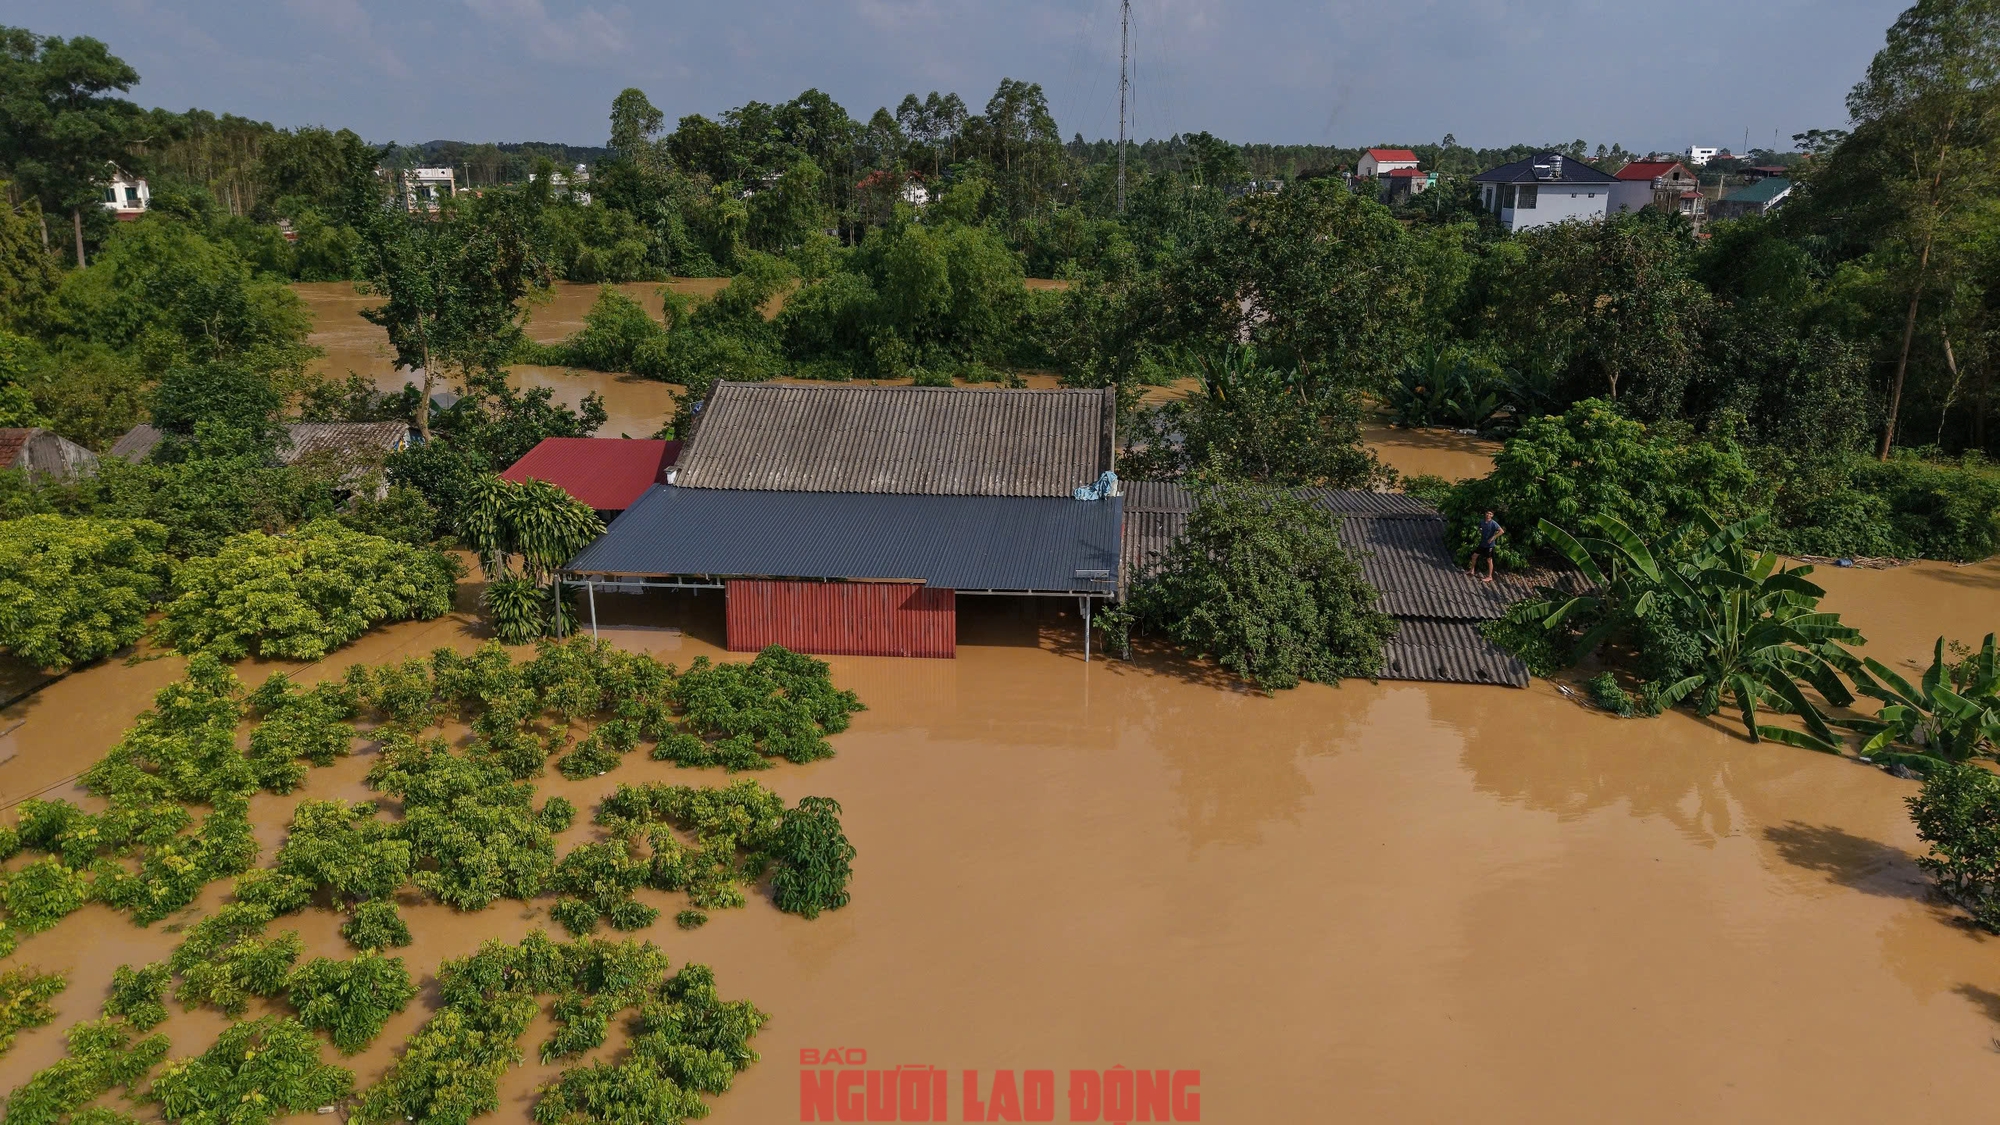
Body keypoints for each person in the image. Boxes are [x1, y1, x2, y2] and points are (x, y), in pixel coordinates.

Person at [1469, 510, 1504, 583]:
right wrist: (1480, 530)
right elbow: (1479, 527)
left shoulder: (1494, 523)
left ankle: (1490, 576)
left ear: (1492, 515)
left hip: (1489, 545)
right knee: (1474, 556)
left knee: (1489, 560)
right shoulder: (1482, 521)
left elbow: (1501, 531)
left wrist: (1493, 537)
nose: (1488, 515)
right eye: (1487, 513)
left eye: (1490, 514)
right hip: (1482, 543)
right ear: (1485, 514)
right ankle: (1472, 570)